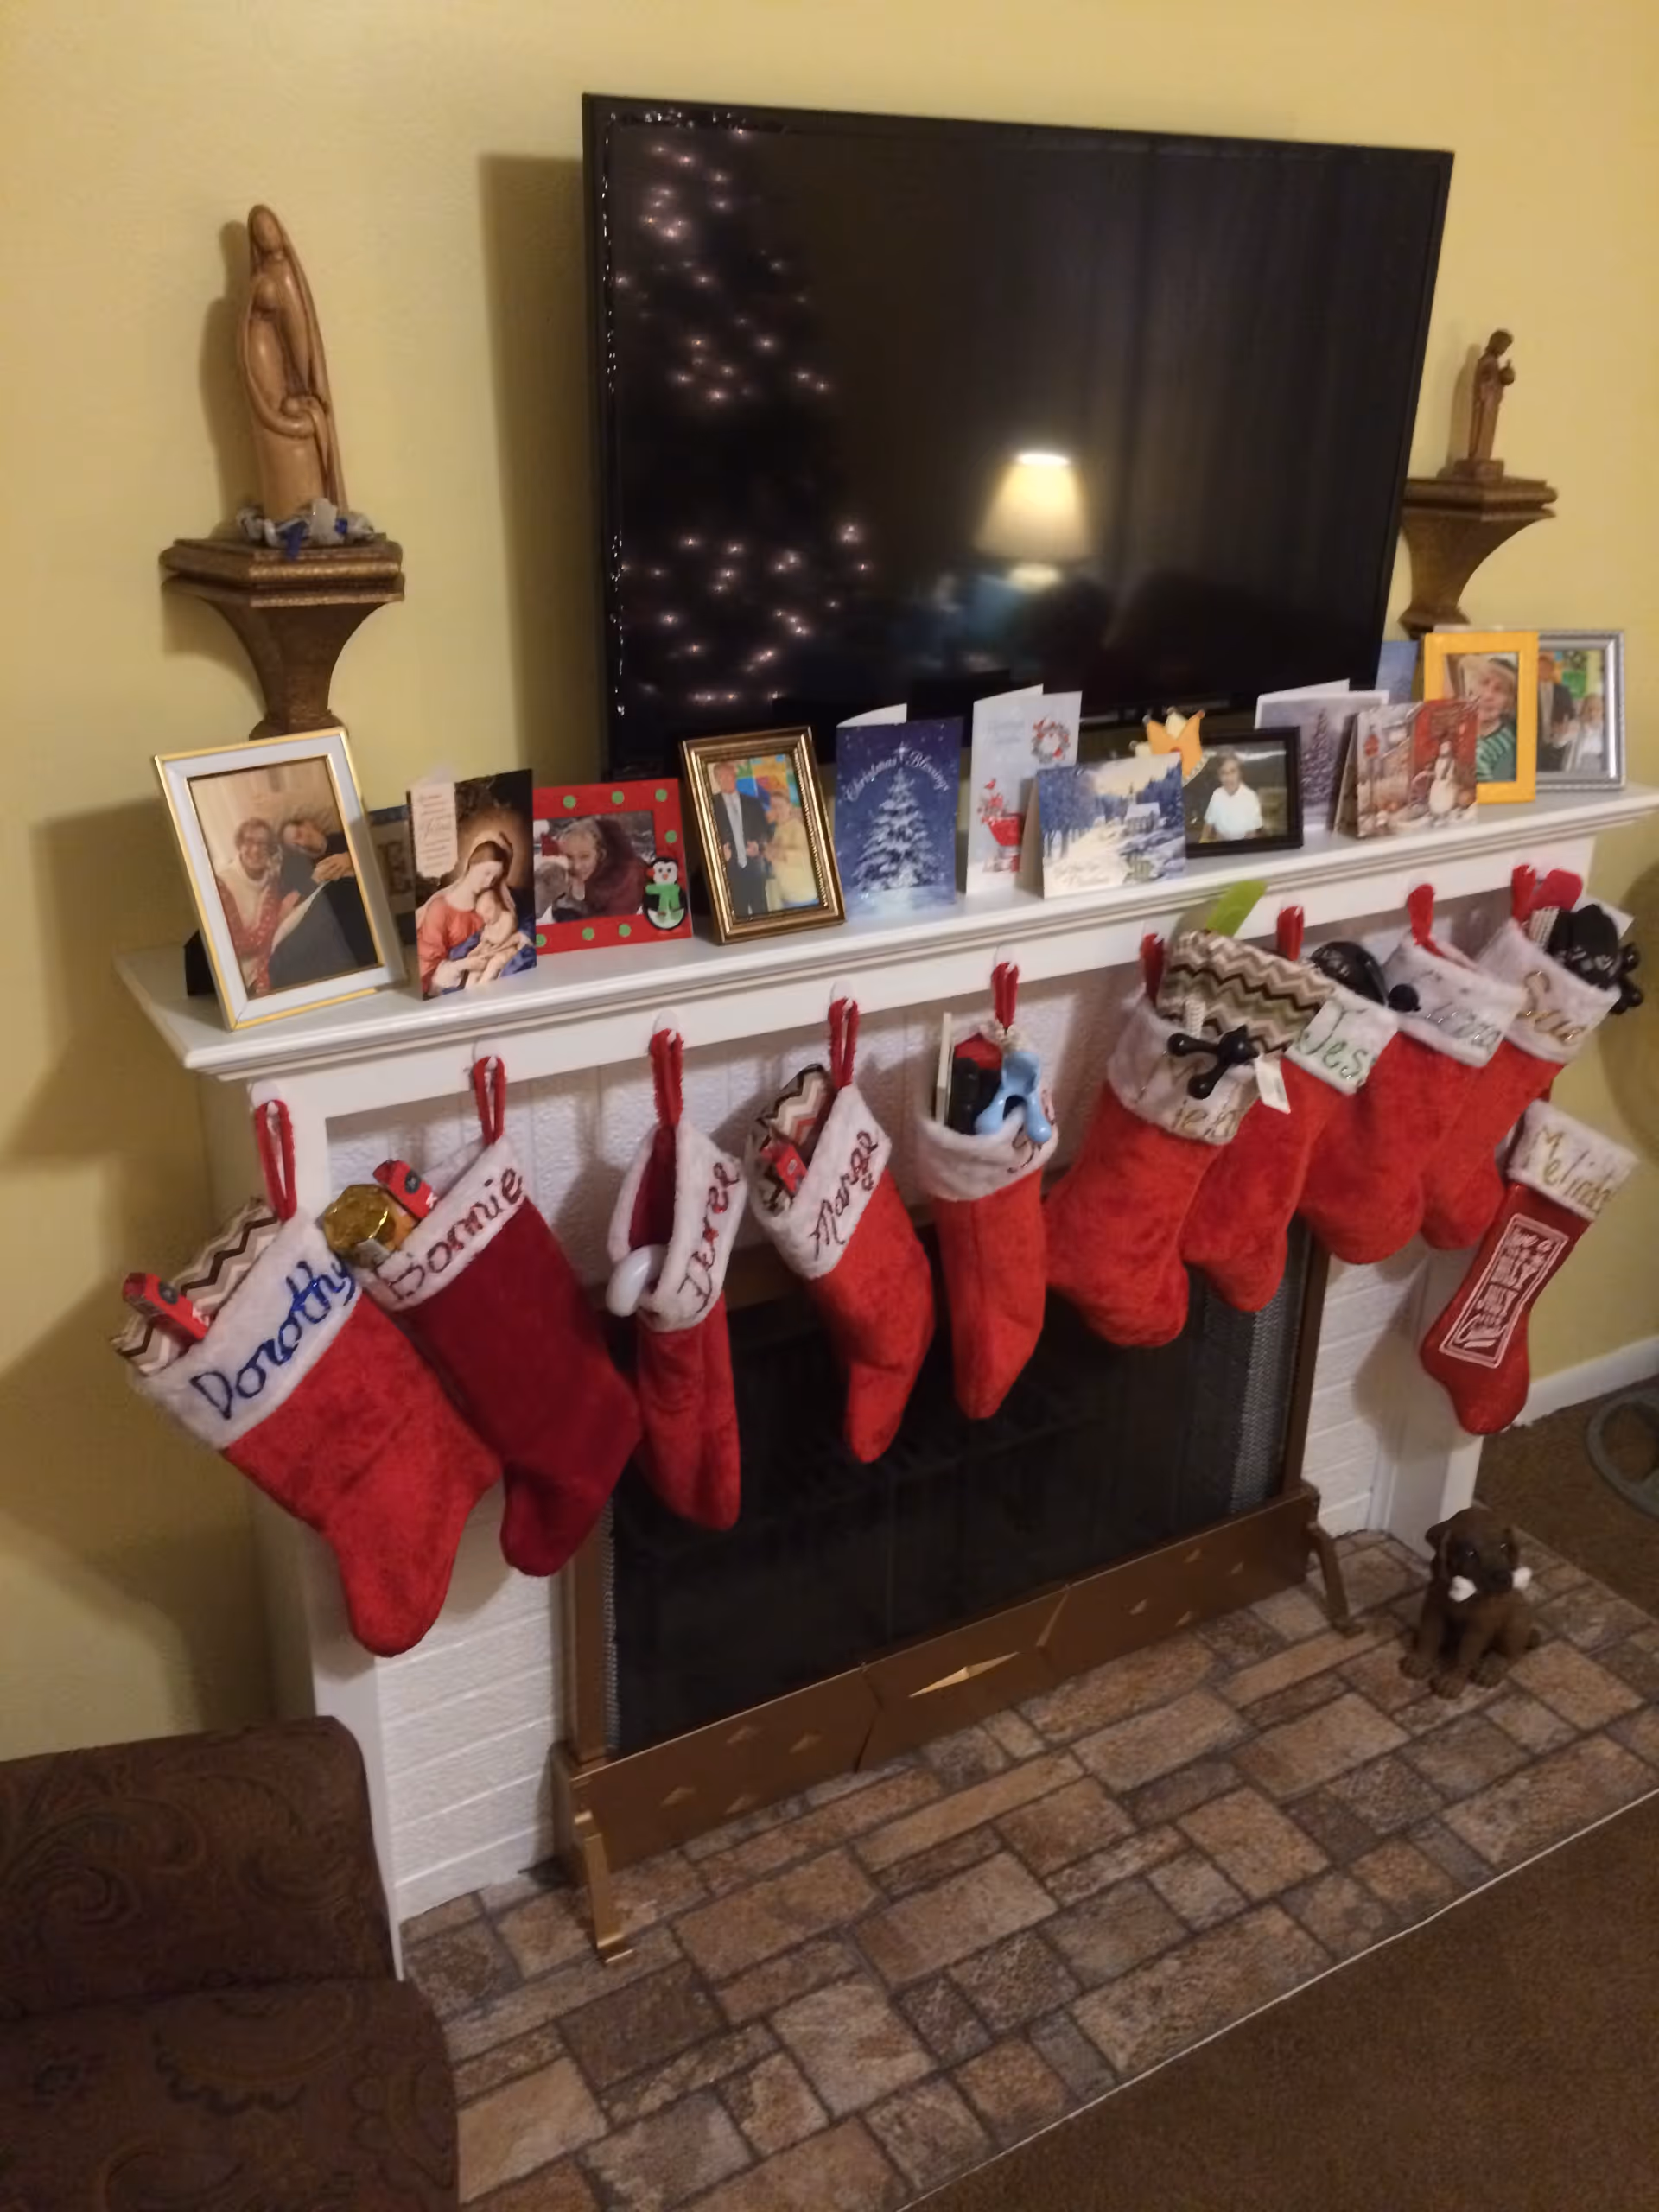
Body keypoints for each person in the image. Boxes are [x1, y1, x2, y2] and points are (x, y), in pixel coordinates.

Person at [266, 810, 375, 988]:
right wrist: (314, 880)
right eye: (295, 846)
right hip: (328, 925)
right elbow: (288, 910)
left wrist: (351, 858)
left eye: (300, 834)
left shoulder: (348, 838)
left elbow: (377, 856)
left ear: (309, 824)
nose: (302, 843)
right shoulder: (301, 871)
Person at [416, 837, 524, 995]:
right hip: (450, 985)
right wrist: (466, 964)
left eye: (494, 878)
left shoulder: (492, 904)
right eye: (486, 873)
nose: (488, 883)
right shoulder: (440, 908)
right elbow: (429, 966)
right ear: (471, 864)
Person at [213, 816, 283, 994]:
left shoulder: (273, 881)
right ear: (239, 845)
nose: (255, 849)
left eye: (263, 844)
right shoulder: (222, 883)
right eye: (249, 841)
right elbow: (232, 944)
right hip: (241, 981)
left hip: (272, 963)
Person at [541, 817, 648, 922]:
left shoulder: (624, 878)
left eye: (585, 856)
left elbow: (611, 926)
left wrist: (579, 922)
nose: (577, 866)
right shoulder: (564, 871)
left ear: (600, 855)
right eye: (569, 857)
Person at [709, 762, 772, 919]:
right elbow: (705, 837)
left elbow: (766, 832)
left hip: (755, 869)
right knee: (738, 915)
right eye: (722, 776)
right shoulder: (709, 805)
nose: (726, 779)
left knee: (761, 912)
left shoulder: (753, 802)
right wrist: (718, 853)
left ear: (735, 777)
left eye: (730, 775)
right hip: (729, 872)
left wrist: (758, 845)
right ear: (716, 779)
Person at [1459, 655, 1518, 783]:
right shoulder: (1453, 724)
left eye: (1499, 690)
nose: (1487, 695)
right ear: (1472, 689)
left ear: (1508, 703)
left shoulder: (1508, 746)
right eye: (1484, 683)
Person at [761, 791, 817, 909]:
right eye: (774, 807)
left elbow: (808, 857)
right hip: (788, 897)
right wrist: (769, 854)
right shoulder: (779, 828)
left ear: (789, 807)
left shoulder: (798, 827)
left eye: (780, 806)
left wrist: (779, 853)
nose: (777, 810)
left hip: (803, 899)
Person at [1202, 753, 1264, 841]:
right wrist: (1203, 840)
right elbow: (1208, 823)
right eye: (1223, 773)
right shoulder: (1217, 794)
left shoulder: (1250, 797)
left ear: (1240, 773)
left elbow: (1252, 833)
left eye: (1233, 771)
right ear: (1219, 776)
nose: (1228, 777)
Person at [1426, 736, 1460, 819]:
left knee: (1445, 795)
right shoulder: (1439, 760)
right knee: (1435, 794)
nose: (1443, 749)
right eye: (1442, 747)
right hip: (1438, 782)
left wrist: (1446, 779)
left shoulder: (1451, 761)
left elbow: (1448, 773)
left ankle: (1445, 810)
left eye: (1446, 747)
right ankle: (1436, 811)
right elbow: (1437, 771)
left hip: (1446, 782)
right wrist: (1432, 774)